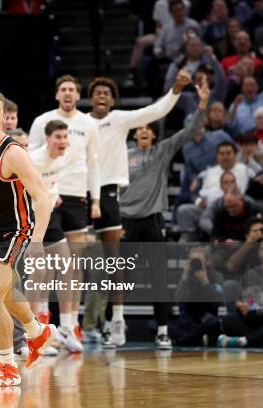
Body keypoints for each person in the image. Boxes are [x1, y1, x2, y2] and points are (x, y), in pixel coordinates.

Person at [86, 70, 189, 348]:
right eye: (98, 92)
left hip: (117, 203)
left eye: (107, 93)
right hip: (86, 194)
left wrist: (176, 89)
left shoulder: (120, 120)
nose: (102, 96)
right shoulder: (79, 124)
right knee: (107, 271)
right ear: (91, 98)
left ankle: (148, 327)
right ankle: (101, 324)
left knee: (138, 273)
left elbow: (156, 109)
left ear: (113, 100)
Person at [0, 90, 56, 387]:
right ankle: (36, 331)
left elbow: (43, 197)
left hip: (18, 231)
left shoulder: (13, 153)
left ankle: (7, 367)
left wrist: (37, 242)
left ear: (4, 117)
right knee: (5, 294)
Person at [120, 76, 209, 349]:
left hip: (153, 221)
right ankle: (115, 323)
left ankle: (161, 330)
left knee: (159, 278)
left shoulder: (162, 150)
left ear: (154, 134)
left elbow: (188, 130)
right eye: (140, 129)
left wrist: (202, 104)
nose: (144, 132)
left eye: (149, 128)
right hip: (126, 221)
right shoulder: (121, 154)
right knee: (120, 277)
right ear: (134, 133)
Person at [29, 74, 100, 351]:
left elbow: (90, 163)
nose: (65, 142)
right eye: (64, 89)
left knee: (67, 265)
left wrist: (91, 199)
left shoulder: (81, 132)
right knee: (40, 270)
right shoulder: (36, 153)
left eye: (73, 89)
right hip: (34, 212)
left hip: (62, 201)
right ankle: (38, 330)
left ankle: (65, 327)